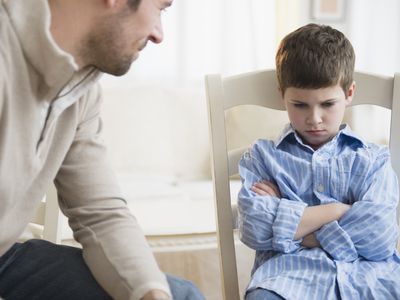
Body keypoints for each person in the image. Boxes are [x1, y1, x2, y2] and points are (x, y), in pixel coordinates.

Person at [0, 0, 205, 299]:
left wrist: (151, 294)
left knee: (177, 294)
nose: (159, 34)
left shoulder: (82, 88)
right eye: (160, 8)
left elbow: (101, 213)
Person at [238, 23, 400, 300]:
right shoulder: (263, 157)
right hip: (285, 281)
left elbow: (379, 237)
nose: (314, 118)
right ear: (282, 95)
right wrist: (340, 210)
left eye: (327, 104)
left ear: (349, 94)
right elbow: (254, 228)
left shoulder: (373, 160)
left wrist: (292, 225)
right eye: (300, 105)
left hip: (369, 280)